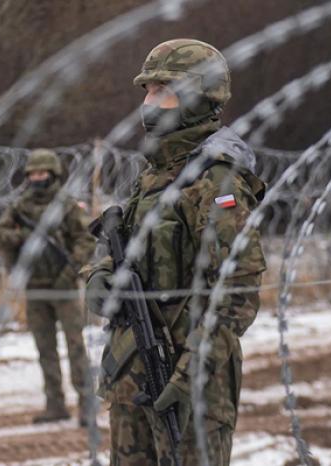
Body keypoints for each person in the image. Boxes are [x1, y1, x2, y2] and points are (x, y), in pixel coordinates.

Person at [83, 39, 266, 465]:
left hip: (190, 381)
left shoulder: (217, 181)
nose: (149, 103)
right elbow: (120, 243)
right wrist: (99, 273)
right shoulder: (154, 175)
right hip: (130, 369)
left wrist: (189, 374)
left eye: (161, 91)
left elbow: (237, 292)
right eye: (148, 92)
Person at [0, 148, 95, 426]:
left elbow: (85, 239)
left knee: (75, 347)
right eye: (33, 173)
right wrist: (24, 235)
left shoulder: (66, 206)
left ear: (53, 174)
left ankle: (87, 405)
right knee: (45, 348)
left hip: (63, 288)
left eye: (42, 173)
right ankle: (55, 404)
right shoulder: (19, 207)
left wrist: (70, 270)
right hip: (35, 287)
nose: (38, 178)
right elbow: (0, 234)